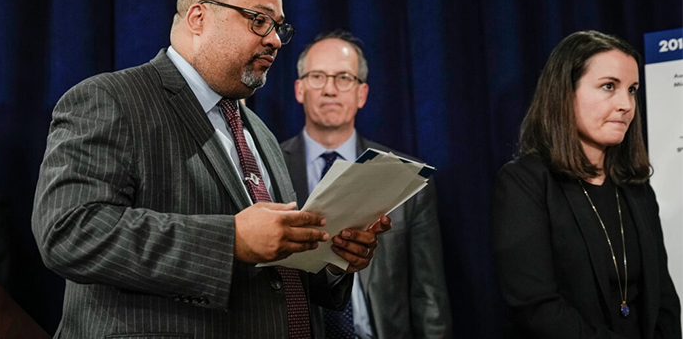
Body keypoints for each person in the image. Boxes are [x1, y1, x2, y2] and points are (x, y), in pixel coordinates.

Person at [32, 0, 390, 339]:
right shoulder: (109, 99)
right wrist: (231, 239)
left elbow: (277, 275)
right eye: (258, 20)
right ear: (199, 18)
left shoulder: (261, 133)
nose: (273, 39)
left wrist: (334, 258)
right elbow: (69, 231)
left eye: (278, 28)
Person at [492, 30, 681, 338]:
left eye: (632, 90)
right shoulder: (524, 183)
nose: (626, 104)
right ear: (565, 93)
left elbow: (664, 298)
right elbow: (536, 308)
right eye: (609, 86)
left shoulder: (635, 186)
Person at [281, 30, 453, 339]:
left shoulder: (406, 178)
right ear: (299, 89)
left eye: (344, 78)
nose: (330, 89)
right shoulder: (268, 166)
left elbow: (429, 295)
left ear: (362, 93)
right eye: (318, 77)